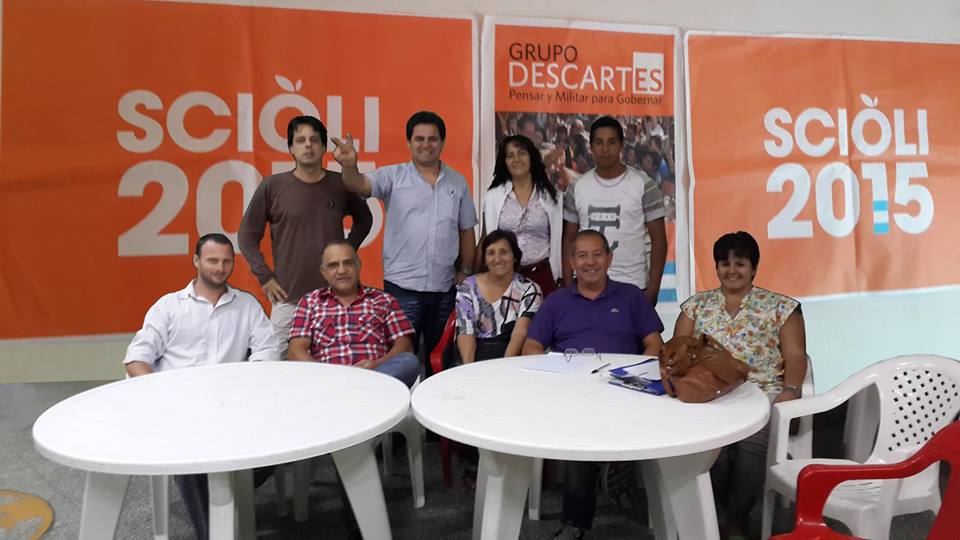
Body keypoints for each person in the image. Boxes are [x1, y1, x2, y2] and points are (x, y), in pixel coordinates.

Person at [123, 233, 279, 540]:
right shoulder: (169, 306)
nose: (220, 268)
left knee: (281, 439)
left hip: (231, 406)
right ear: (196, 261)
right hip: (179, 410)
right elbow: (136, 359)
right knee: (190, 456)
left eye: (226, 261)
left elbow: (267, 351)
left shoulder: (247, 305)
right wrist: (162, 399)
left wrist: (247, 388)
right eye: (212, 260)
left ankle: (222, 490)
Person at [523, 230, 664, 540]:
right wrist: (557, 371)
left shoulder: (631, 297)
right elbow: (531, 347)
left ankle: (612, 462)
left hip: (623, 390)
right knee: (580, 433)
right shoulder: (556, 301)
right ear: (572, 262)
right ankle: (580, 517)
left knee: (592, 430)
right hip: (572, 392)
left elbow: (654, 343)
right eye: (582, 256)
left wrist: (634, 374)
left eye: (597, 254)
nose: (590, 262)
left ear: (609, 259)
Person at [673, 231, 807, 540]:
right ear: (716, 267)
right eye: (725, 263)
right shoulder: (696, 306)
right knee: (712, 451)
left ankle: (737, 520)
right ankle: (723, 511)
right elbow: (678, 351)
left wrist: (791, 390)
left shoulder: (781, 307)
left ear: (754, 268)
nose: (732, 270)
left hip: (762, 392)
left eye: (740, 263)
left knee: (751, 446)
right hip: (710, 393)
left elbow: (796, 356)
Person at [331, 111, 478, 370]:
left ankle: (435, 397)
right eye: (419, 139)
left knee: (441, 359)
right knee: (400, 360)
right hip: (402, 289)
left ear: (442, 142)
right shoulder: (393, 176)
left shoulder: (458, 182)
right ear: (409, 142)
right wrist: (349, 166)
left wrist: (466, 271)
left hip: (444, 288)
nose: (426, 144)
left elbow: (467, 230)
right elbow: (359, 185)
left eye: (432, 139)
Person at [239, 115, 373, 359]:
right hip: (288, 298)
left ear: (323, 147)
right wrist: (265, 276)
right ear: (291, 148)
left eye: (314, 140)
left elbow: (365, 220)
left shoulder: (340, 184)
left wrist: (346, 251)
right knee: (275, 363)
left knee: (335, 362)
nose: (308, 145)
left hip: (335, 296)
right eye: (300, 140)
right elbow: (247, 236)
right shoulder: (273, 186)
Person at [453, 230, 542, 486]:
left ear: (515, 257)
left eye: (504, 252)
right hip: (474, 349)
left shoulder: (530, 289)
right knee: (464, 389)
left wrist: (503, 370)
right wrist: (469, 370)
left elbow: (520, 333)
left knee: (506, 390)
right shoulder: (467, 287)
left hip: (511, 351)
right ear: (484, 258)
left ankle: (511, 456)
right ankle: (473, 461)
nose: (497, 258)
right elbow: (465, 330)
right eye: (491, 253)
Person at [562, 116, 667, 306]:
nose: (605, 149)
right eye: (599, 142)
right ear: (591, 147)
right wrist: (569, 286)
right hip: (586, 288)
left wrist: (653, 290)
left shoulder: (644, 185)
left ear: (621, 145)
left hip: (633, 286)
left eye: (611, 142)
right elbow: (569, 239)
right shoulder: (577, 187)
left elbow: (659, 240)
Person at [287, 241, 420, 388]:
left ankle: (357, 391)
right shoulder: (310, 302)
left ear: (358, 266)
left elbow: (404, 346)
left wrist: (377, 364)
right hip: (328, 382)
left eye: (348, 263)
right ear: (324, 272)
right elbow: (295, 351)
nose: (342, 270)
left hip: (375, 375)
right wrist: (327, 375)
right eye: (333, 265)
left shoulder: (383, 300)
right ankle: (353, 392)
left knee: (409, 362)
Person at [482, 135, 562, 296]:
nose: (516, 159)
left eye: (521, 153)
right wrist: (471, 274)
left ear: (531, 157)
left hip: (543, 276)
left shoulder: (553, 197)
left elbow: (562, 239)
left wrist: (564, 279)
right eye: (510, 155)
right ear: (504, 162)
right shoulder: (493, 197)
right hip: (504, 277)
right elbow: (486, 239)